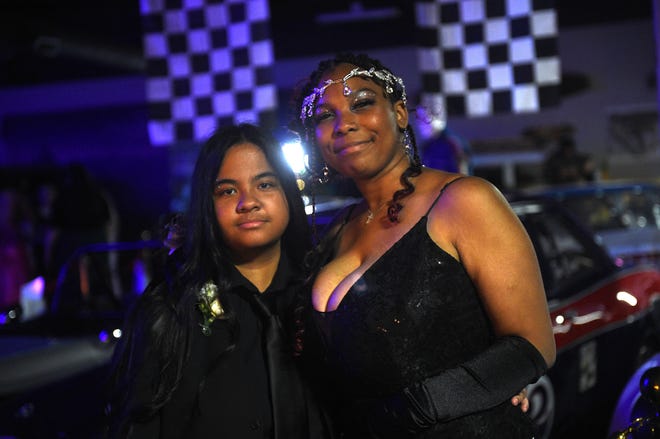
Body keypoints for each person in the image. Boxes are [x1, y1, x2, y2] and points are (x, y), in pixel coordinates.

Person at [288, 53, 556, 437]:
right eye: (325, 116)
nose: (344, 124)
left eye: (361, 103)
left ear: (399, 113)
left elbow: (532, 347)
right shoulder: (337, 227)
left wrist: (411, 411)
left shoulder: (464, 201)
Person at [105, 123, 329, 438]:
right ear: (206, 206)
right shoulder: (169, 312)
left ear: (288, 194)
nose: (248, 202)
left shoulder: (321, 296)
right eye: (228, 191)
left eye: (264, 184)